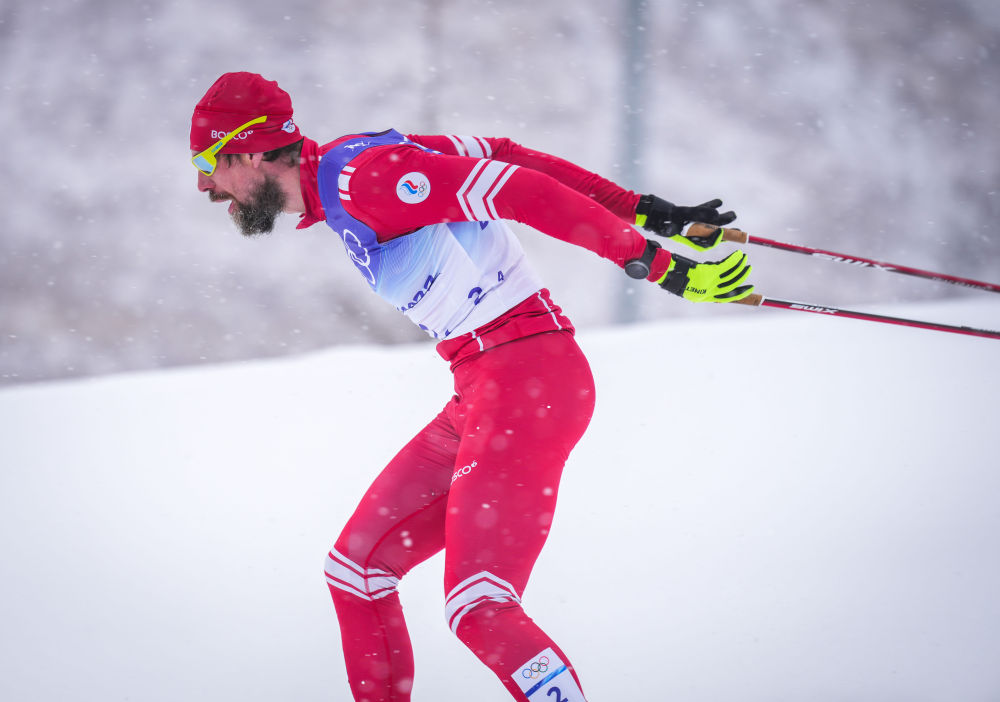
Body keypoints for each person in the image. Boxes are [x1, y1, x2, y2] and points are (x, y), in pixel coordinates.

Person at [190, 71, 753, 702]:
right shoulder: (345, 172)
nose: (206, 185)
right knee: (357, 572)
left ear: (253, 149)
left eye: (208, 162)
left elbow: (516, 189)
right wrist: (644, 209)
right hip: (483, 387)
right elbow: (502, 155)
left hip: (527, 381)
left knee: (479, 606)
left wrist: (657, 263)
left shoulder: (363, 180)